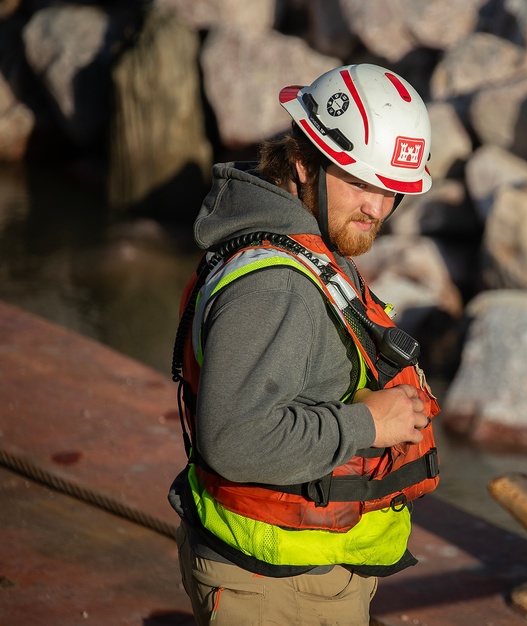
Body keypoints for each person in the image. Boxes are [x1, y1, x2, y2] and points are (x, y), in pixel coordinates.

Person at [167, 63, 441, 626]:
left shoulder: (297, 239)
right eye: (360, 182)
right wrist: (370, 427)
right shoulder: (277, 283)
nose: (377, 208)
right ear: (302, 163)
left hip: (292, 569)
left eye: (391, 190)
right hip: (274, 585)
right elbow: (236, 438)